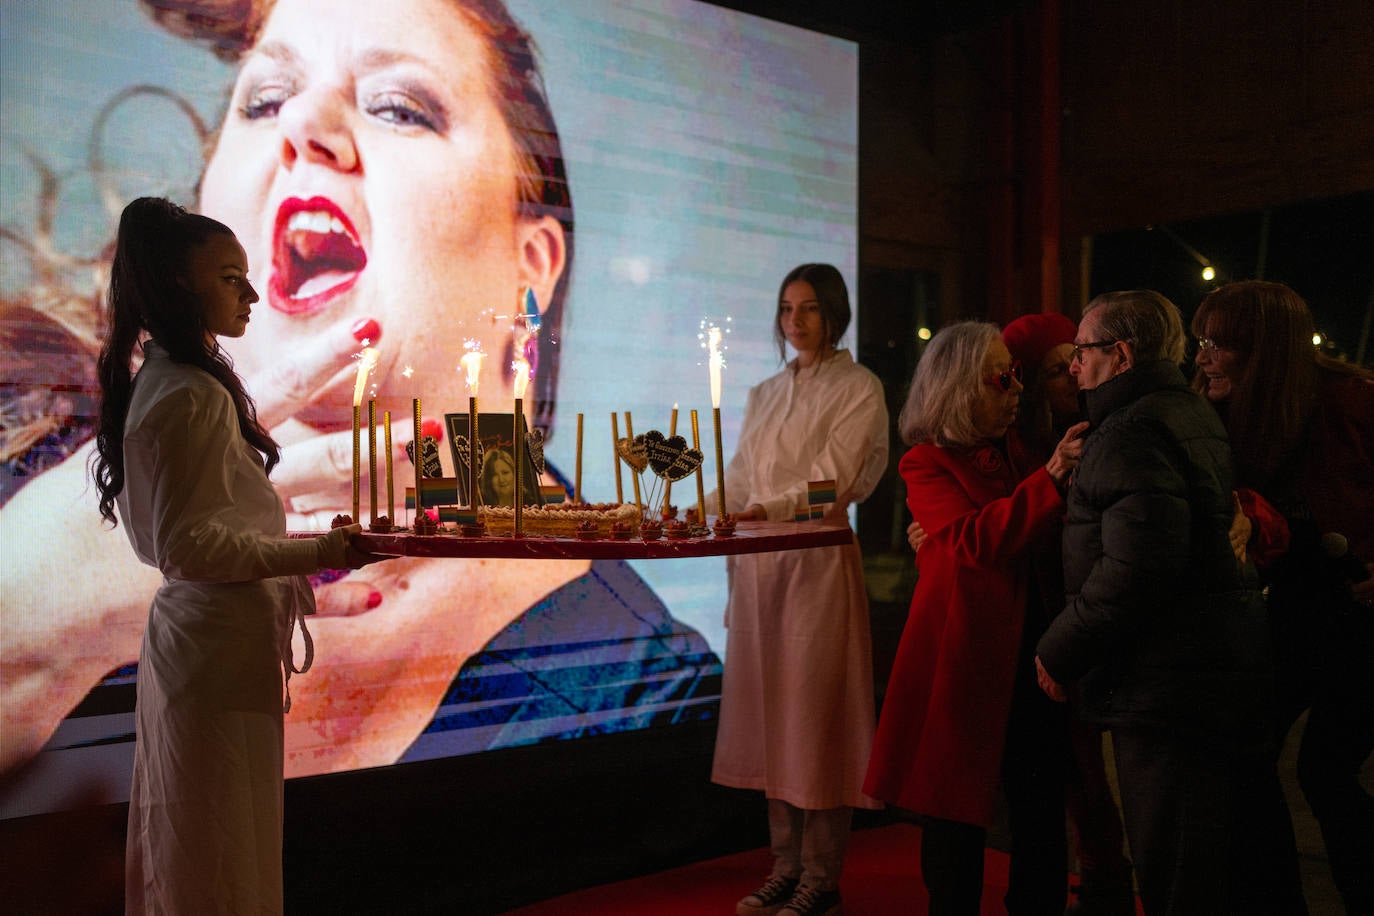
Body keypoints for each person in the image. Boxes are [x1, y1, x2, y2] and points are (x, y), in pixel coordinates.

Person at [1, 0, 717, 787]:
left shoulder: (646, 695)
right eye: (265, 100)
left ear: (532, 265)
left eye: (398, 108)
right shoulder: (22, 433)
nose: (302, 125)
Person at [93, 197, 381, 913]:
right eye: (230, 278)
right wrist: (321, 549)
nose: (251, 293)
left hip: (214, 650)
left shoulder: (175, 384)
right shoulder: (187, 393)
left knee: (210, 837)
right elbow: (191, 547)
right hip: (211, 654)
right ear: (182, 288)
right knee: (214, 847)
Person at [1035, 290, 1280, 915]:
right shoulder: (1186, 410)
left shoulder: (1131, 430)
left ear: (1120, 355)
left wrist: (1060, 649)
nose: (1073, 367)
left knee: (1175, 874)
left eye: (1084, 352)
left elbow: (1136, 568)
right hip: (1205, 675)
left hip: (1164, 687)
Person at [865, 320, 1087, 916]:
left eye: (1017, 374)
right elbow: (974, 541)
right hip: (963, 654)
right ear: (960, 387)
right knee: (954, 814)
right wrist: (1050, 482)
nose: (1017, 388)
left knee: (1039, 806)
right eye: (1001, 377)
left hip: (1035, 649)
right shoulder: (926, 462)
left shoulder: (1024, 447)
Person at [707, 264, 887, 916]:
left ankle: (821, 874)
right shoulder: (763, 393)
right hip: (759, 568)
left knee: (814, 719)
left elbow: (830, 486)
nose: (795, 320)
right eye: (786, 307)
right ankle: (783, 866)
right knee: (768, 718)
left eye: (809, 308)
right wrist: (695, 510)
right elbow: (737, 478)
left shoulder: (859, 387)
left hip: (814, 564)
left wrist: (760, 510)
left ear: (835, 312)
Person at [1192, 280, 1374, 916]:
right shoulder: (1222, 409)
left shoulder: (1350, 400)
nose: (1203, 357)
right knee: (1243, 756)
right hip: (1295, 608)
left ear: (1263, 349)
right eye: (1201, 342)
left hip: (1363, 616)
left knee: (1325, 773)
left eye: (1219, 344)